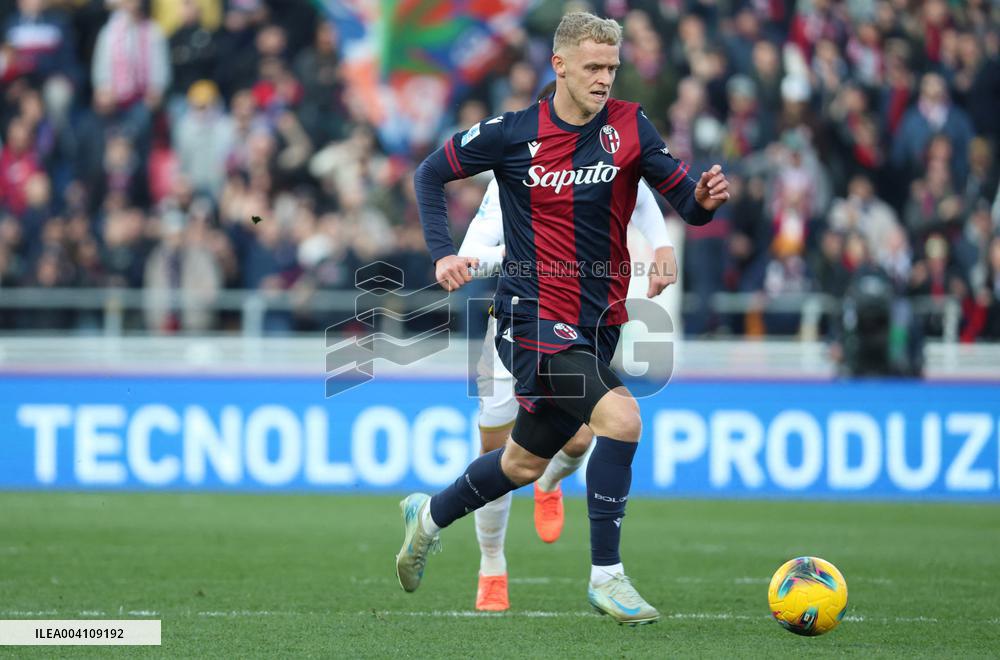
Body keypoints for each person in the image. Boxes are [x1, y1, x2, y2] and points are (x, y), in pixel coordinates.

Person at [398, 12, 730, 625]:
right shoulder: (513, 133)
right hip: (531, 318)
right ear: (559, 66)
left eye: (612, 67)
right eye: (593, 67)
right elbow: (430, 173)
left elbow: (684, 200)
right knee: (621, 418)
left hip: (599, 322)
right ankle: (607, 576)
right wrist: (443, 252)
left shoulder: (631, 126)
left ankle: (429, 516)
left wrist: (703, 202)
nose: (604, 78)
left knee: (522, 464)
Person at [462, 148, 678, 610]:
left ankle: (548, 482)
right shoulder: (512, 175)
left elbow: (640, 195)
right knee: (496, 453)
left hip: (577, 328)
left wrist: (661, 245)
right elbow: (469, 255)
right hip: (517, 327)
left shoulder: (599, 163)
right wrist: (515, 254)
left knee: (580, 439)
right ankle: (492, 564)